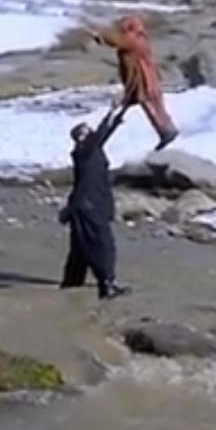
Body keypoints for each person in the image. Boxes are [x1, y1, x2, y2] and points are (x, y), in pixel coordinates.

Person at [58, 103, 131, 299]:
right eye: (84, 131)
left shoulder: (92, 149)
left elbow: (103, 135)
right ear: (78, 139)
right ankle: (107, 285)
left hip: (86, 204)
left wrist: (119, 112)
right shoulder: (83, 152)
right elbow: (100, 134)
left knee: (81, 246)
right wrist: (111, 113)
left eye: (88, 129)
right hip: (88, 205)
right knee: (103, 245)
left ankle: (72, 282)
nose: (88, 132)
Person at [85, 13, 177, 150]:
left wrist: (98, 35)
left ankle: (165, 131)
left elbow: (116, 41)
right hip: (147, 77)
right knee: (155, 105)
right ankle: (167, 129)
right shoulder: (141, 37)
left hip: (142, 78)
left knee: (148, 104)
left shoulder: (132, 39)